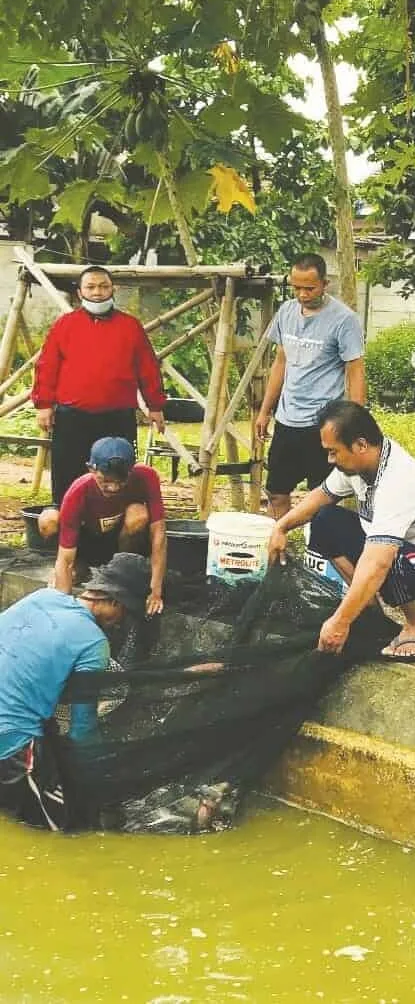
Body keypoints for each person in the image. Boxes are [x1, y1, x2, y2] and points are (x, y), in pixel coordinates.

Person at [267, 400, 415, 659]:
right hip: (396, 555)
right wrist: (282, 526)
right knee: (325, 521)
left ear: (360, 445)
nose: (329, 459)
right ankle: (370, 614)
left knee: (387, 558)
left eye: (334, 452)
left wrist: (339, 622)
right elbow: (321, 496)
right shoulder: (358, 466)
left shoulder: (399, 480)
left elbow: (378, 561)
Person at [0, 553, 152, 830]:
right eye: (125, 614)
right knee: (63, 830)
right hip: (11, 743)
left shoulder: (41, 598)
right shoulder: (93, 643)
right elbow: (82, 729)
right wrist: (99, 781)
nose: (121, 623)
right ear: (114, 602)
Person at [32, 265, 167, 509]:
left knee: (119, 471)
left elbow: (147, 368)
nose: (97, 292)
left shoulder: (130, 326)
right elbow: (47, 366)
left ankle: (117, 525)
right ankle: (68, 525)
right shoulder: (65, 325)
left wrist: (155, 406)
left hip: (116, 418)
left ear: (112, 289)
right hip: (72, 418)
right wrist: (44, 404)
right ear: (80, 291)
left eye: (103, 286)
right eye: (91, 287)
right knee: (67, 473)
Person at [255, 253, 367, 520]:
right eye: (296, 287)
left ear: (325, 283)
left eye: (309, 288)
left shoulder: (344, 319)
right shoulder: (286, 312)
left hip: (323, 424)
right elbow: (280, 362)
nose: (302, 294)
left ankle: (317, 552)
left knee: (323, 498)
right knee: (277, 493)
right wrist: (265, 411)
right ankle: (280, 549)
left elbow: (355, 371)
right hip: (287, 420)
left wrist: (355, 422)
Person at [39, 436, 166, 617]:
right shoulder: (78, 491)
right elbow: (65, 558)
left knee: (138, 514)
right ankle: (80, 569)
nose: (113, 488)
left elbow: (159, 535)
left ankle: (119, 572)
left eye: (121, 481)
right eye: (105, 481)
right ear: (91, 469)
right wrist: (64, 608)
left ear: (131, 471)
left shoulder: (146, 476)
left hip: (120, 543)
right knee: (48, 521)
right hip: (89, 542)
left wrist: (155, 591)